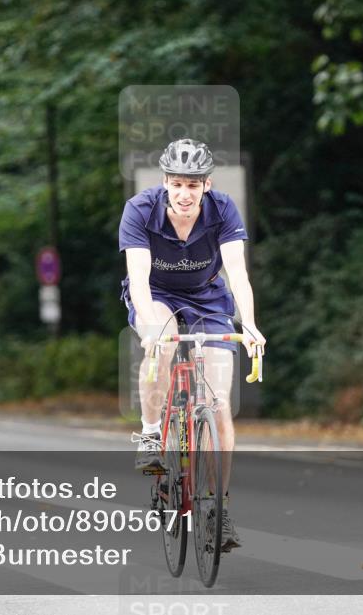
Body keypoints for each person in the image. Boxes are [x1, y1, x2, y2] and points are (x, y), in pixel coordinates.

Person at [119, 138, 266, 552]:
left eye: (194, 185)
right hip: (157, 294)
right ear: (166, 182)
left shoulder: (223, 211)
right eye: (178, 184)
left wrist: (250, 324)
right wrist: (149, 327)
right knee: (162, 345)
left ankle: (218, 508)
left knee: (218, 404)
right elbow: (140, 278)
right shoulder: (141, 209)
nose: (185, 194)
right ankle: (151, 435)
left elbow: (237, 275)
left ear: (207, 184)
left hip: (206, 297)